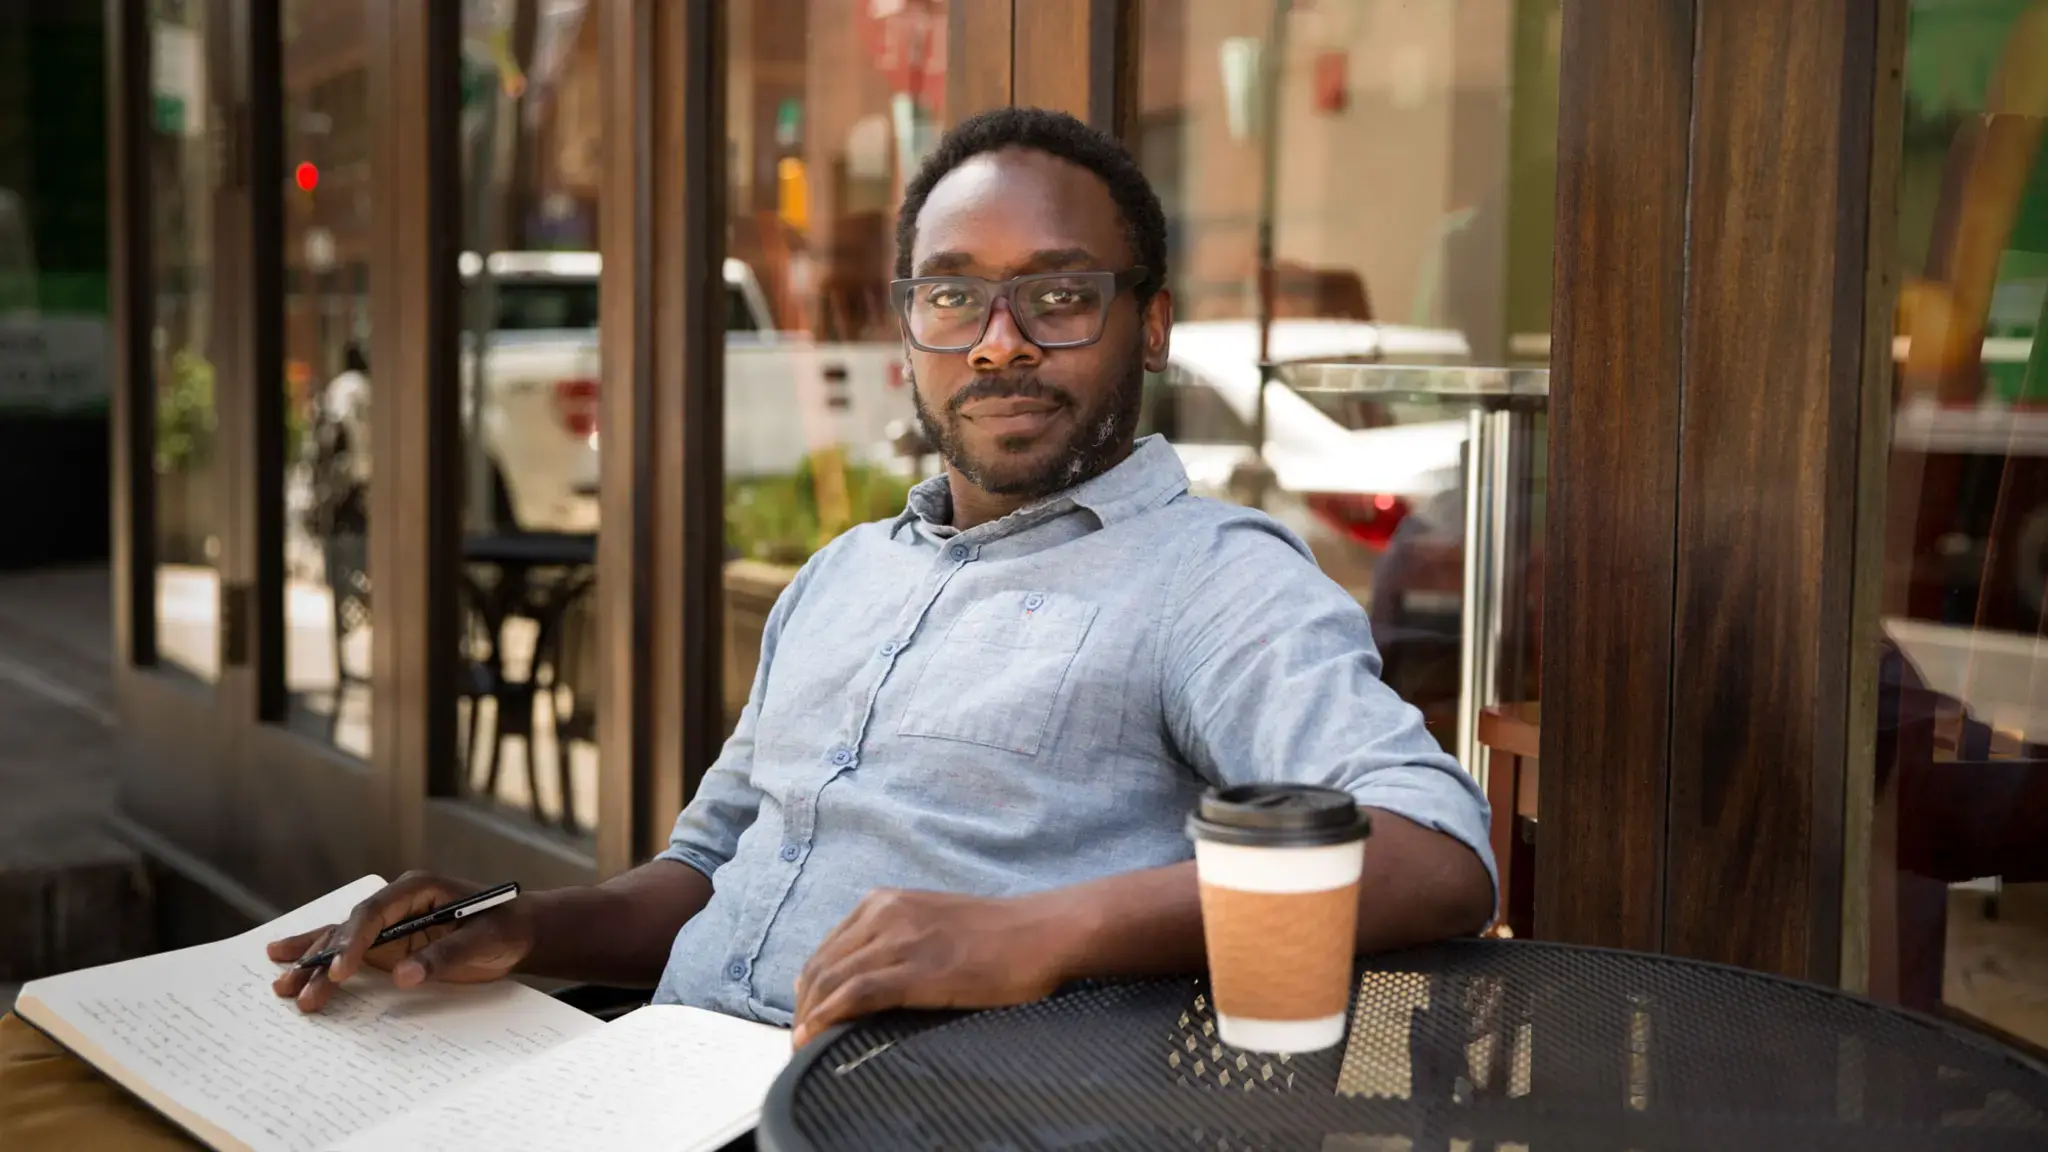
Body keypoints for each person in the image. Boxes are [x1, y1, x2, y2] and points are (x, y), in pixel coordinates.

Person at [0, 108, 1492, 1149]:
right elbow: (705, 873)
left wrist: (1033, 931)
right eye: (952, 296)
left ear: (1148, 324)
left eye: (1060, 296)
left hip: (903, 1118)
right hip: (633, 1082)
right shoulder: (845, 575)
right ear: (905, 326)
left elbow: (1438, 855)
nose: (998, 341)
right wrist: (526, 927)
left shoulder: (1211, 577)